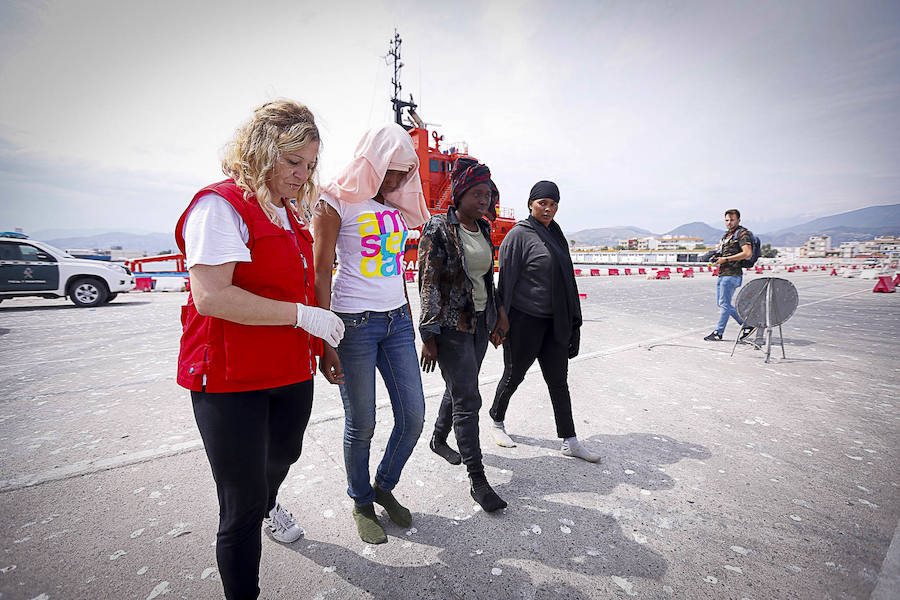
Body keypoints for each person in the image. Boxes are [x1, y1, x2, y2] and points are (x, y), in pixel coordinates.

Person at [175, 100, 345, 600]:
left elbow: (299, 280)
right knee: (241, 507)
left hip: (288, 367)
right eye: (293, 162)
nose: (302, 174)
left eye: (310, 165)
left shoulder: (290, 214)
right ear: (262, 150)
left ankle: (266, 500)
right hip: (231, 378)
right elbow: (212, 296)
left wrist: (319, 343)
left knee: (286, 451)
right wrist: (301, 315)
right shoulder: (221, 205)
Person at [313, 123, 430, 545]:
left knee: (413, 416)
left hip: (396, 321)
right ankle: (361, 501)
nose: (399, 179)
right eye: (393, 170)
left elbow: (397, 270)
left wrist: (409, 319)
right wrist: (324, 341)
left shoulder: (397, 205)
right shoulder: (335, 201)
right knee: (362, 422)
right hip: (354, 326)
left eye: (405, 171)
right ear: (373, 161)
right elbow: (320, 271)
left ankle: (384, 484)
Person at [418, 158, 510, 512]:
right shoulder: (438, 228)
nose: (484, 200)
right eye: (477, 193)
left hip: (481, 323)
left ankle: (439, 438)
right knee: (468, 399)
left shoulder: (484, 230)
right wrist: (428, 334)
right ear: (459, 194)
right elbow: (428, 283)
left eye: (488, 194)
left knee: (460, 387)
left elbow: (487, 276)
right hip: (452, 326)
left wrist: (499, 313)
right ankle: (478, 479)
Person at [487, 180, 601, 463]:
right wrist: (501, 322)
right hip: (524, 321)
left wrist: (574, 322)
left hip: (555, 323)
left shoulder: (557, 234)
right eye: (542, 204)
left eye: (553, 204)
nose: (548, 209)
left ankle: (570, 440)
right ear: (530, 204)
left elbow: (569, 280)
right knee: (514, 376)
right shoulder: (519, 235)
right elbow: (506, 282)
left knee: (558, 381)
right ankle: (497, 422)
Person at [704, 209, 756, 341]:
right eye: (727, 220)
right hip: (723, 273)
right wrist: (716, 257)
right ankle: (747, 325)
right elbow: (724, 253)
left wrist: (726, 260)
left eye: (732, 220)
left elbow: (747, 253)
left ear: (738, 220)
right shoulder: (727, 235)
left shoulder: (743, 234)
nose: (729, 223)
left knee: (724, 304)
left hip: (732, 275)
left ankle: (719, 332)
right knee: (722, 303)